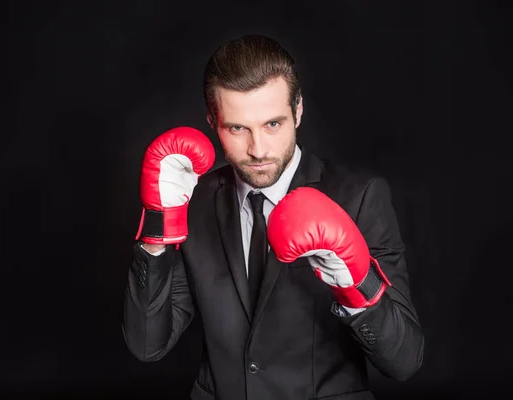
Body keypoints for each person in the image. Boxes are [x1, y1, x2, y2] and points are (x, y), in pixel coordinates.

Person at [122, 34, 424, 400]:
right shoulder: (193, 200)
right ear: (212, 121)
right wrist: (157, 230)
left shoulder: (359, 197)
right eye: (237, 128)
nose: (258, 149)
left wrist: (357, 287)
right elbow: (146, 345)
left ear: (298, 110)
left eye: (273, 124)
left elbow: (404, 361)